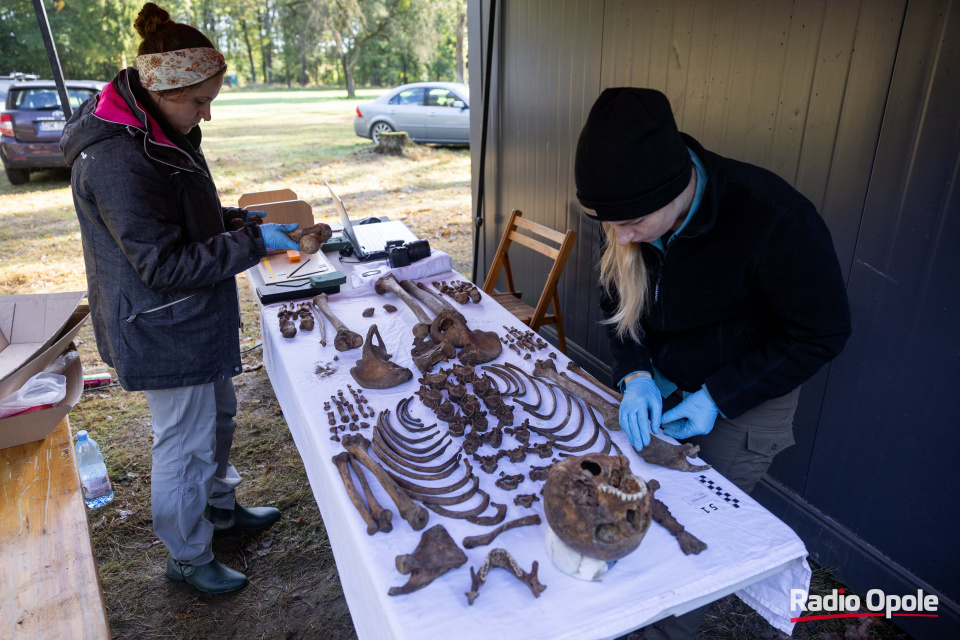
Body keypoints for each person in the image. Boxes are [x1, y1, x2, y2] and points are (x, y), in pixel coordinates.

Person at [574, 88, 851, 639]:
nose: (620, 236)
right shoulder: (623, 212)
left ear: (676, 192)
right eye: (611, 224)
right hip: (663, 377)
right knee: (634, 509)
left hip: (750, 391)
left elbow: (821, 332)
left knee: (692, 537)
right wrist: (632, 375)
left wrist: (717, 396)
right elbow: (614, 300)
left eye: (632, 223)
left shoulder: (774, 218)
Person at [61, 3, 300, 594]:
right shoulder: (118, 156)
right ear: (162, 88)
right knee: (185, 444)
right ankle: (188, 554)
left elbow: (179, 217)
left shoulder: (159, 127)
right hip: (160, 322)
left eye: (210, 99)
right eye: (199, 102)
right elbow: (162, 263)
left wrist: (235, 220)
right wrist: (250, 243)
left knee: (216, 419)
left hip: (190, 317)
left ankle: (219, 510)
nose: (206, 115)